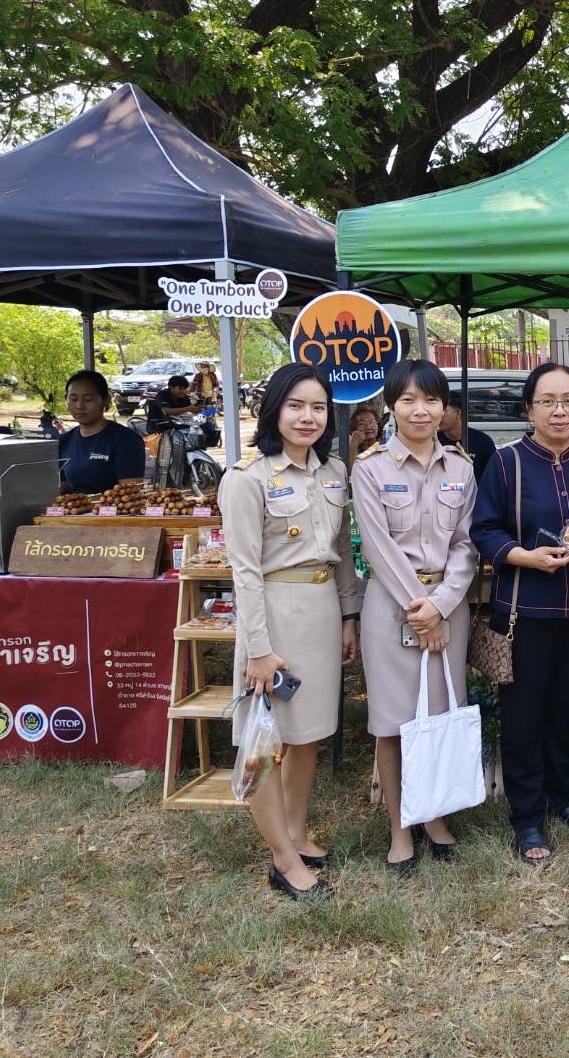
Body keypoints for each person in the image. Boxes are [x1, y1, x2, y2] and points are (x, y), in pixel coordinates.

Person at [470, 363, 569, 864]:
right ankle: (527, 816)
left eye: (568, 400)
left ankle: (561, 796)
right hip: (524, 611)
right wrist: (524, 557)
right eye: (547, 401)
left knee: (565, 709)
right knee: (523, 716)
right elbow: (485, 530)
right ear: (529, 409)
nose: (559, 410)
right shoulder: (507, 463)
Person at [220, 363, 359, 901]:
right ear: (274, 409)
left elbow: (342, 552)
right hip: (273, 618)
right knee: (264, 744)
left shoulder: (333, 472)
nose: (308, 417)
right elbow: (245, 571)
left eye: (318, 407)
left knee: (308, 737)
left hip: (321, 612)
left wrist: (348, 617)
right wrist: (258, 649)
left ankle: (297, 832)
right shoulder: (248, 477)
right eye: (296, 405)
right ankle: (282, 860)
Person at [352, 361, 479, 875]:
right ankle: (399, 827)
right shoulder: (370, 468)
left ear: (444, 407)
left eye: (430, 400)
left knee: (441, 713)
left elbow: (468, 546)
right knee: (392, 720)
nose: (420, 410)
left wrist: (443, 604)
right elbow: (377, 548)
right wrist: (422, 611)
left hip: (448, 606)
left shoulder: (462, 469)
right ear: (391, 406)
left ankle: (433, 816)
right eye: (407, 400)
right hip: (390, 606)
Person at [57, 370, 146, 493]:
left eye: (88, 399)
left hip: (110, 510)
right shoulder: (64, 440)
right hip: (72, 510)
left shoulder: (126, 440)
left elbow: (131, 493)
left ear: (106, 400)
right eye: (73, 399)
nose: (79, 405)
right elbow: (61, 486)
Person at [439, 395, 496, 484]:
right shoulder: (433, 441)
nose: (438, 415)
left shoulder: (483, 441)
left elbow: (493, 477)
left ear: (457, 413)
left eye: (444, 410)